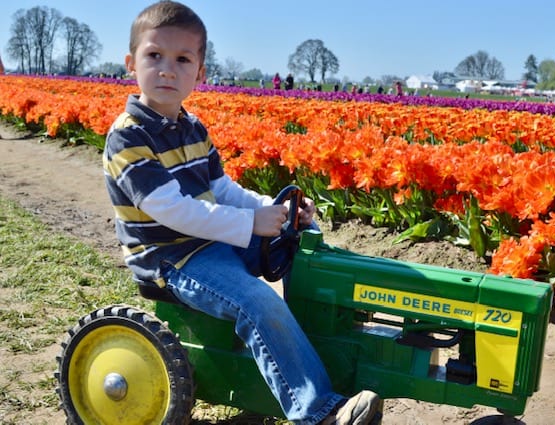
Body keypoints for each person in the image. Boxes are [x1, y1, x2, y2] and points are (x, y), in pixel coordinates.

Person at [102, 2, 381, 424]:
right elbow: (173, 212)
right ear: (130, 63)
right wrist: (250, 224)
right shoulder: (128, 138)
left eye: (182, 60)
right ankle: (317, 411)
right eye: (154, 56)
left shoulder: (192, 127)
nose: (166, 70)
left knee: (306, 250)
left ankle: (327, 352)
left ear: (200, 74)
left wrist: (274, 211)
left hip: (211, 239)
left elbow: (222, 190)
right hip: (171, 258)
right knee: (255, 300)